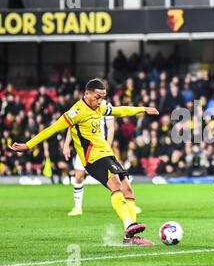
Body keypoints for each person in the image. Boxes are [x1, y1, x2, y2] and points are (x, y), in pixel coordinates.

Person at [9, 78, 159, 246]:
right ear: (86, 94)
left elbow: (120, 110)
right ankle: (129, 225)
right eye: (97, 97)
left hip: (107, 154)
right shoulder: (76, 111)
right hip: (93, 158)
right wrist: (28, 145)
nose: (100, 101)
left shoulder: (100, 107)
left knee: (128, 189)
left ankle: (131, 236)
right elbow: (53, 128)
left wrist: (144, 109)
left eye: (102, 97)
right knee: (116, 185)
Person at [63, 99, 142, 217]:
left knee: (117, 176)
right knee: (78, 176)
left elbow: (111, 128)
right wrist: (66, 145)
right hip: (85, 148)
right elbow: (71, 125)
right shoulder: (82, 106)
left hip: (101, 148)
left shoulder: (105, 105)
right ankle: (77, 207)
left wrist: (107, 146)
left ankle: (129, 204)